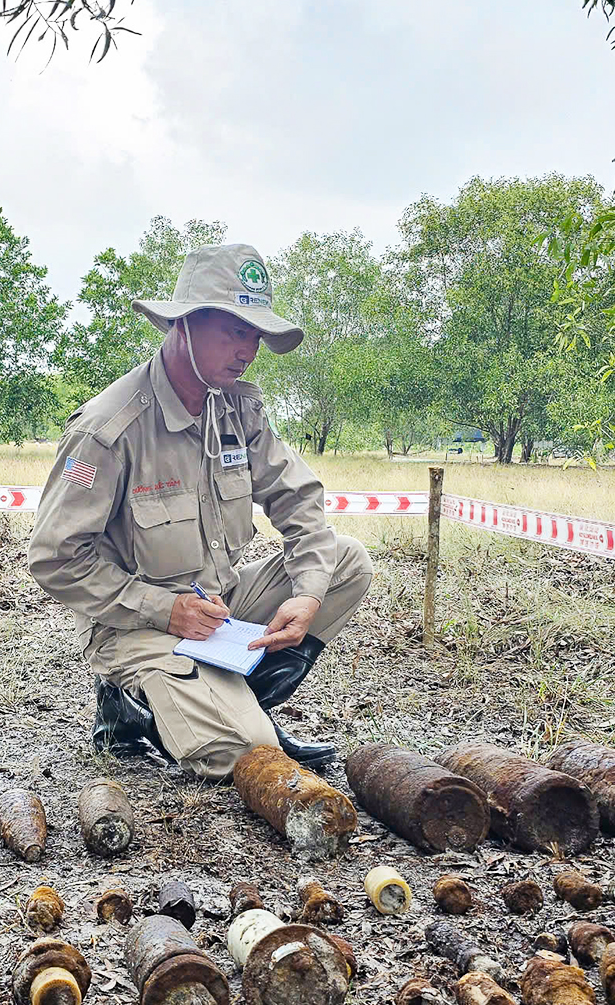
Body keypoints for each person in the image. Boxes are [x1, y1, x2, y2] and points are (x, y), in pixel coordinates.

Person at [27, 243, 372, 777]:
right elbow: (55, 558)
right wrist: (164, 610)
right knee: (251, 752)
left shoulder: (235, 406)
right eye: (235, 331)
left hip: (217, 606)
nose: (249, 350)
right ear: (184, 326)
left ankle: (224, 698)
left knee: (344, 562)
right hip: (135, 626)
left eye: (255, 334)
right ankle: (136, 703)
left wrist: (306, 597)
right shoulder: (109, 430)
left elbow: (298, 498)